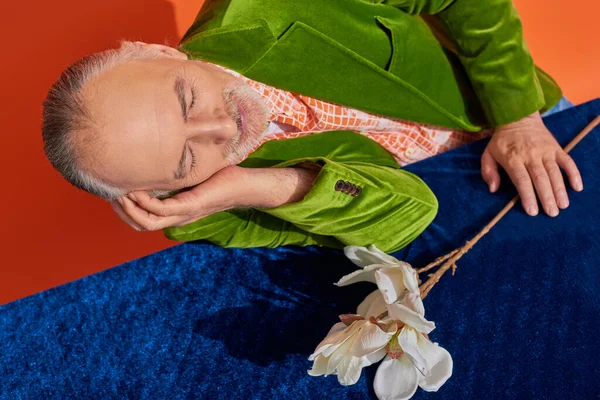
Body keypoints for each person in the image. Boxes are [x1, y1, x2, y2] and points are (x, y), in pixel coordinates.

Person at [41, 0, 582, 253]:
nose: (221, 127)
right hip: (467, 215)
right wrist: (260, 186)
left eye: (188, 98)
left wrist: (517, 115)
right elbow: (408, 218)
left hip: (531, 121)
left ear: (161, 52)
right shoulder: (194, 208)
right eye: (189, 158)